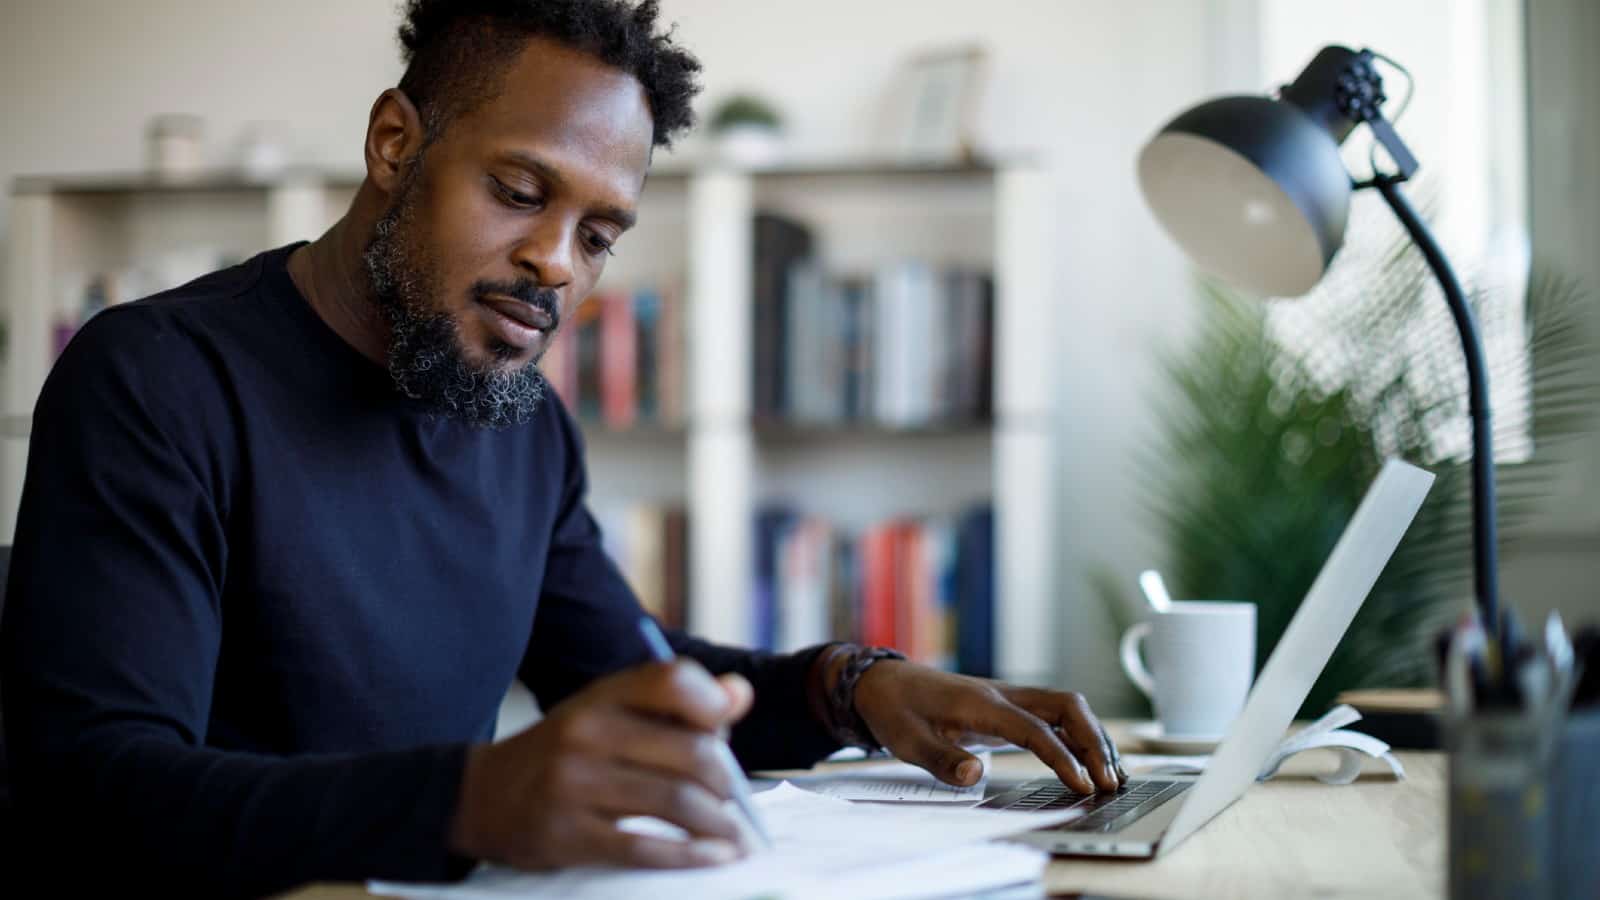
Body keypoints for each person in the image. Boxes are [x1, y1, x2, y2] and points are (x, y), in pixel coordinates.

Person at [0, 1, 1125, 895]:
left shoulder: (526, 429)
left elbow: (639, 675)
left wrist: (849, 688)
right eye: (519, 191)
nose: (556, 264)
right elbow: (99, 789)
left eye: (598, 233)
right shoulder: (156, 380)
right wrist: (468, 802)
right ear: (395, 143)